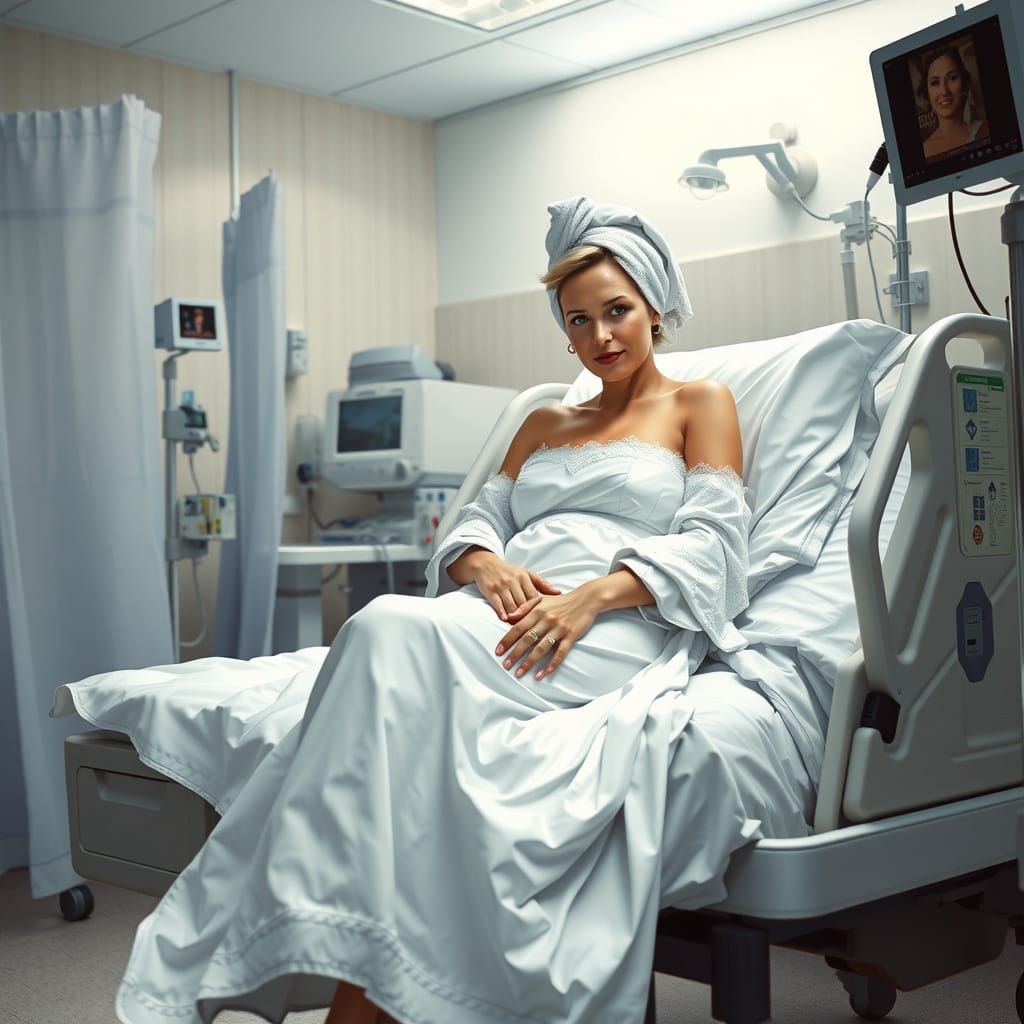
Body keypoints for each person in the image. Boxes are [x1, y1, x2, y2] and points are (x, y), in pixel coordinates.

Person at [115, 197, 812, 1024]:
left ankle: (336, 984)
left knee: (383, 632)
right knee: (384, 635)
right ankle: (359, 982)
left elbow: (714, 542)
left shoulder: (701, 405)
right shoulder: (545, 419)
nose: (602, 337)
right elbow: (477, 525)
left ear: (655, 304)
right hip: (510, 612)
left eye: (617, 311)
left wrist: (593, 595)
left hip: (616, 621)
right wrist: (486, 568)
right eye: (579, 321)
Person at [919, 45, 990, 160]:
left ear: (964, 85)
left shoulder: (986, 130)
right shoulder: (924, 150)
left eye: (952, 78)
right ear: (927, 92)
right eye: (935, 83)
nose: (944, 91)